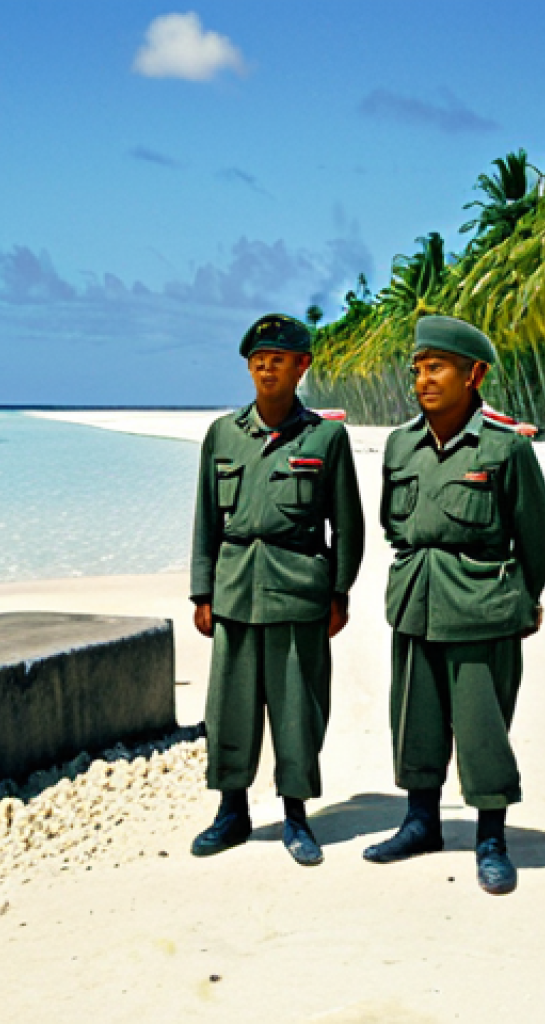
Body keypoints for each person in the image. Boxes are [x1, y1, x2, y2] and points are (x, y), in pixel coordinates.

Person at [363, 315, 545, 895]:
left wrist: (523, 600)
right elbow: (395, 525)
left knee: (482, 728)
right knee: (415, 721)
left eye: (437, 367)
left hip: (481, 607)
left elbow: (537, 536)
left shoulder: (504, 447)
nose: (423, 379)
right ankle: (420, 823)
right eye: (419, 369)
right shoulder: (400, 445)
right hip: (415, 602)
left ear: (474, 374)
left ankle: (491, 840)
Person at [189, 313, 365, 866]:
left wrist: (339, 592)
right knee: (230, 709)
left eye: (279, 357)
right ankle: (231, 812)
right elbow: (204, 521)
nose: (266, 365)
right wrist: (201, 592)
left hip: (299, 592)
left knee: (298, 709)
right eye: (257, 358)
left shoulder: (326, 436)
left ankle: (295, 817)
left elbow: (348, 524)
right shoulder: (222, 434)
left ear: (302, 366)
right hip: (236, 589)